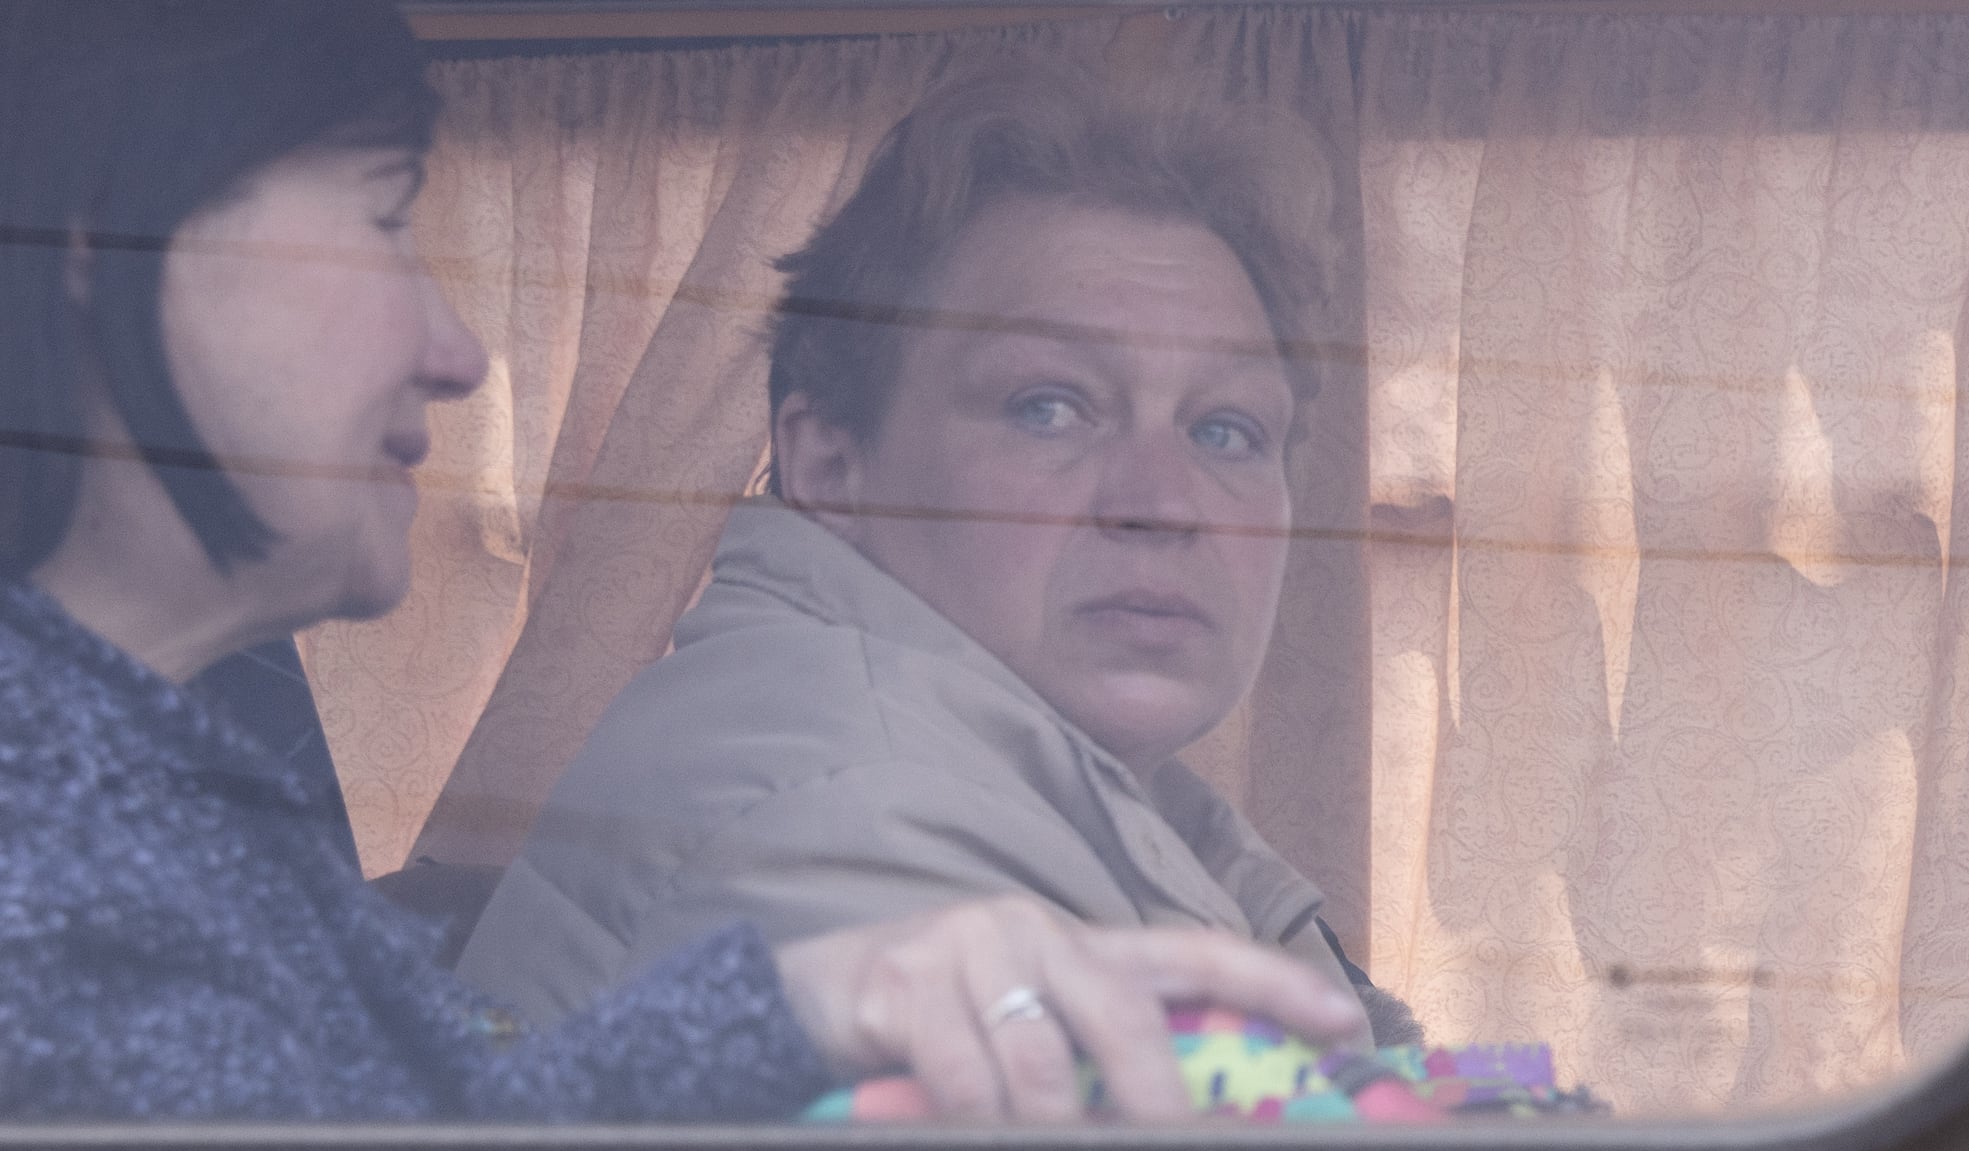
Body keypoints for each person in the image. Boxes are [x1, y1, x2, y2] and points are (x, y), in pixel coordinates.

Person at [0, 0, 1360, 1129]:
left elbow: (383, 1149)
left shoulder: (138, 772)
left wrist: (784, 1010)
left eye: (1233, 428)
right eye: (385, 217)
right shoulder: (48, 816)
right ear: (97, 238)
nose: (455, 348)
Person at [461, 65, 1404, 1042]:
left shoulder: (1042, 796)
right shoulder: (852, 832)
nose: (1163, 503)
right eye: (1047, 406)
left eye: (1225, 430)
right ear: (830, 462)